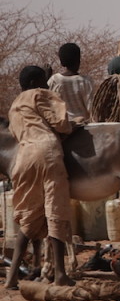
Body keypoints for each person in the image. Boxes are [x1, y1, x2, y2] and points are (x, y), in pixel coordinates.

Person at [5, 66, 80, 288]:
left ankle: (11, 278)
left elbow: (17, 133)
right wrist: (71, 127)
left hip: (24, 158)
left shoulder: (14, 107)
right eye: (43, 80)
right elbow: (61, 124)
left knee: (29, 216)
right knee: (55, 211)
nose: (47, 84)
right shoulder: (40, 94)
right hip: (47, 153)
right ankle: (60, 274)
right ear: (35, 82)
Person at [47, 42, 94, 122]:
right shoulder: (86, 81)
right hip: (83, 126)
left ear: (61, 62)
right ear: (79, 60)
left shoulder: (55, 80)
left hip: (62, 126)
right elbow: (91, 107)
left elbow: (48, 103)